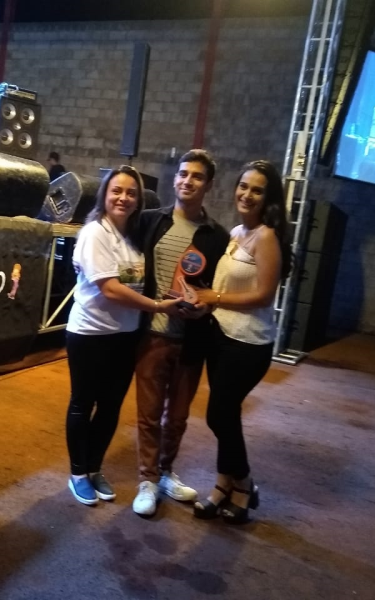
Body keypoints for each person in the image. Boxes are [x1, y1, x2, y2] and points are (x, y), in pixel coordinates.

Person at [65, 165, 181, 506]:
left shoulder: (134, 236)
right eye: (117, 191)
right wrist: (158, 307)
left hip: (125, 335)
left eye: (131, 193)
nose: (124, 198)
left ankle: (94, 467)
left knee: (111, 406)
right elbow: (111, 289)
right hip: (90, 333)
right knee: (83, 403)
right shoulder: (94, 233)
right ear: (105, 194)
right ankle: (77, 474)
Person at [190, 159, 292, 524]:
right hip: (220, 335)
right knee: (227, 415)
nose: (247, 194)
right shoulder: (236, 233)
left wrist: (213, 298)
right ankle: (223, 486)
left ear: (269, 198)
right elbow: (223, 286)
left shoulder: (266, 237)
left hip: (248, 344)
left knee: (219, 415)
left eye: (257, 190)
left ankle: (245, 484)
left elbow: (264, 295)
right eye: (243, 186)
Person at [131, 149, 229, 517]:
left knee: (178, 417)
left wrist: (206, 307)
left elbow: (219, 289)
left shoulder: (216, 236)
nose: (188, 181)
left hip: (192, 339)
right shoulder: (150, 221)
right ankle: (147, 479)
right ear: (175, 178)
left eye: (197, 176)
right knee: (148, 414)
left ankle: (165, 472)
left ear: (208, 185)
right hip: (151, 335)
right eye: (183, 173)